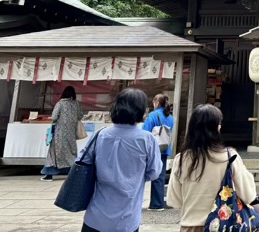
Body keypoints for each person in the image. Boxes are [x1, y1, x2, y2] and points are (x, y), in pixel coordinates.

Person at [80, 88, 162, 232]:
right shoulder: (147, 139)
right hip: (127, 218)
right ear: (140, 110)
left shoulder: (100, 135)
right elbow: (154, 173)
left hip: (96, 216)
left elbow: (83, 160)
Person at [167, 104, 258, 232]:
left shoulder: (181, 159)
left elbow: (174, 200)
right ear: (217, 128)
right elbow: (249, 195)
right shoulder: (230, 157)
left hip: (190, 226)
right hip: (224, 226)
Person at [41, 86, 83, 181]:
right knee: (71, 152)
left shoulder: (60, 104)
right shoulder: (76, 104)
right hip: (71, 133)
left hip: (59, 133)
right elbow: (80, 115)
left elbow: (54, 117)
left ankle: (49, 174)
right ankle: (73, 172)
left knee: (53, 153)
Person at [142, 93, 175, 211]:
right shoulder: (170, 117)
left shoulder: (153, 115)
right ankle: (158, 202)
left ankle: (156, 204)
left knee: (143, 173)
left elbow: (145, 131)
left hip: (153, 148)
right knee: (160, 175)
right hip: (165, 148)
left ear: (156, 103)